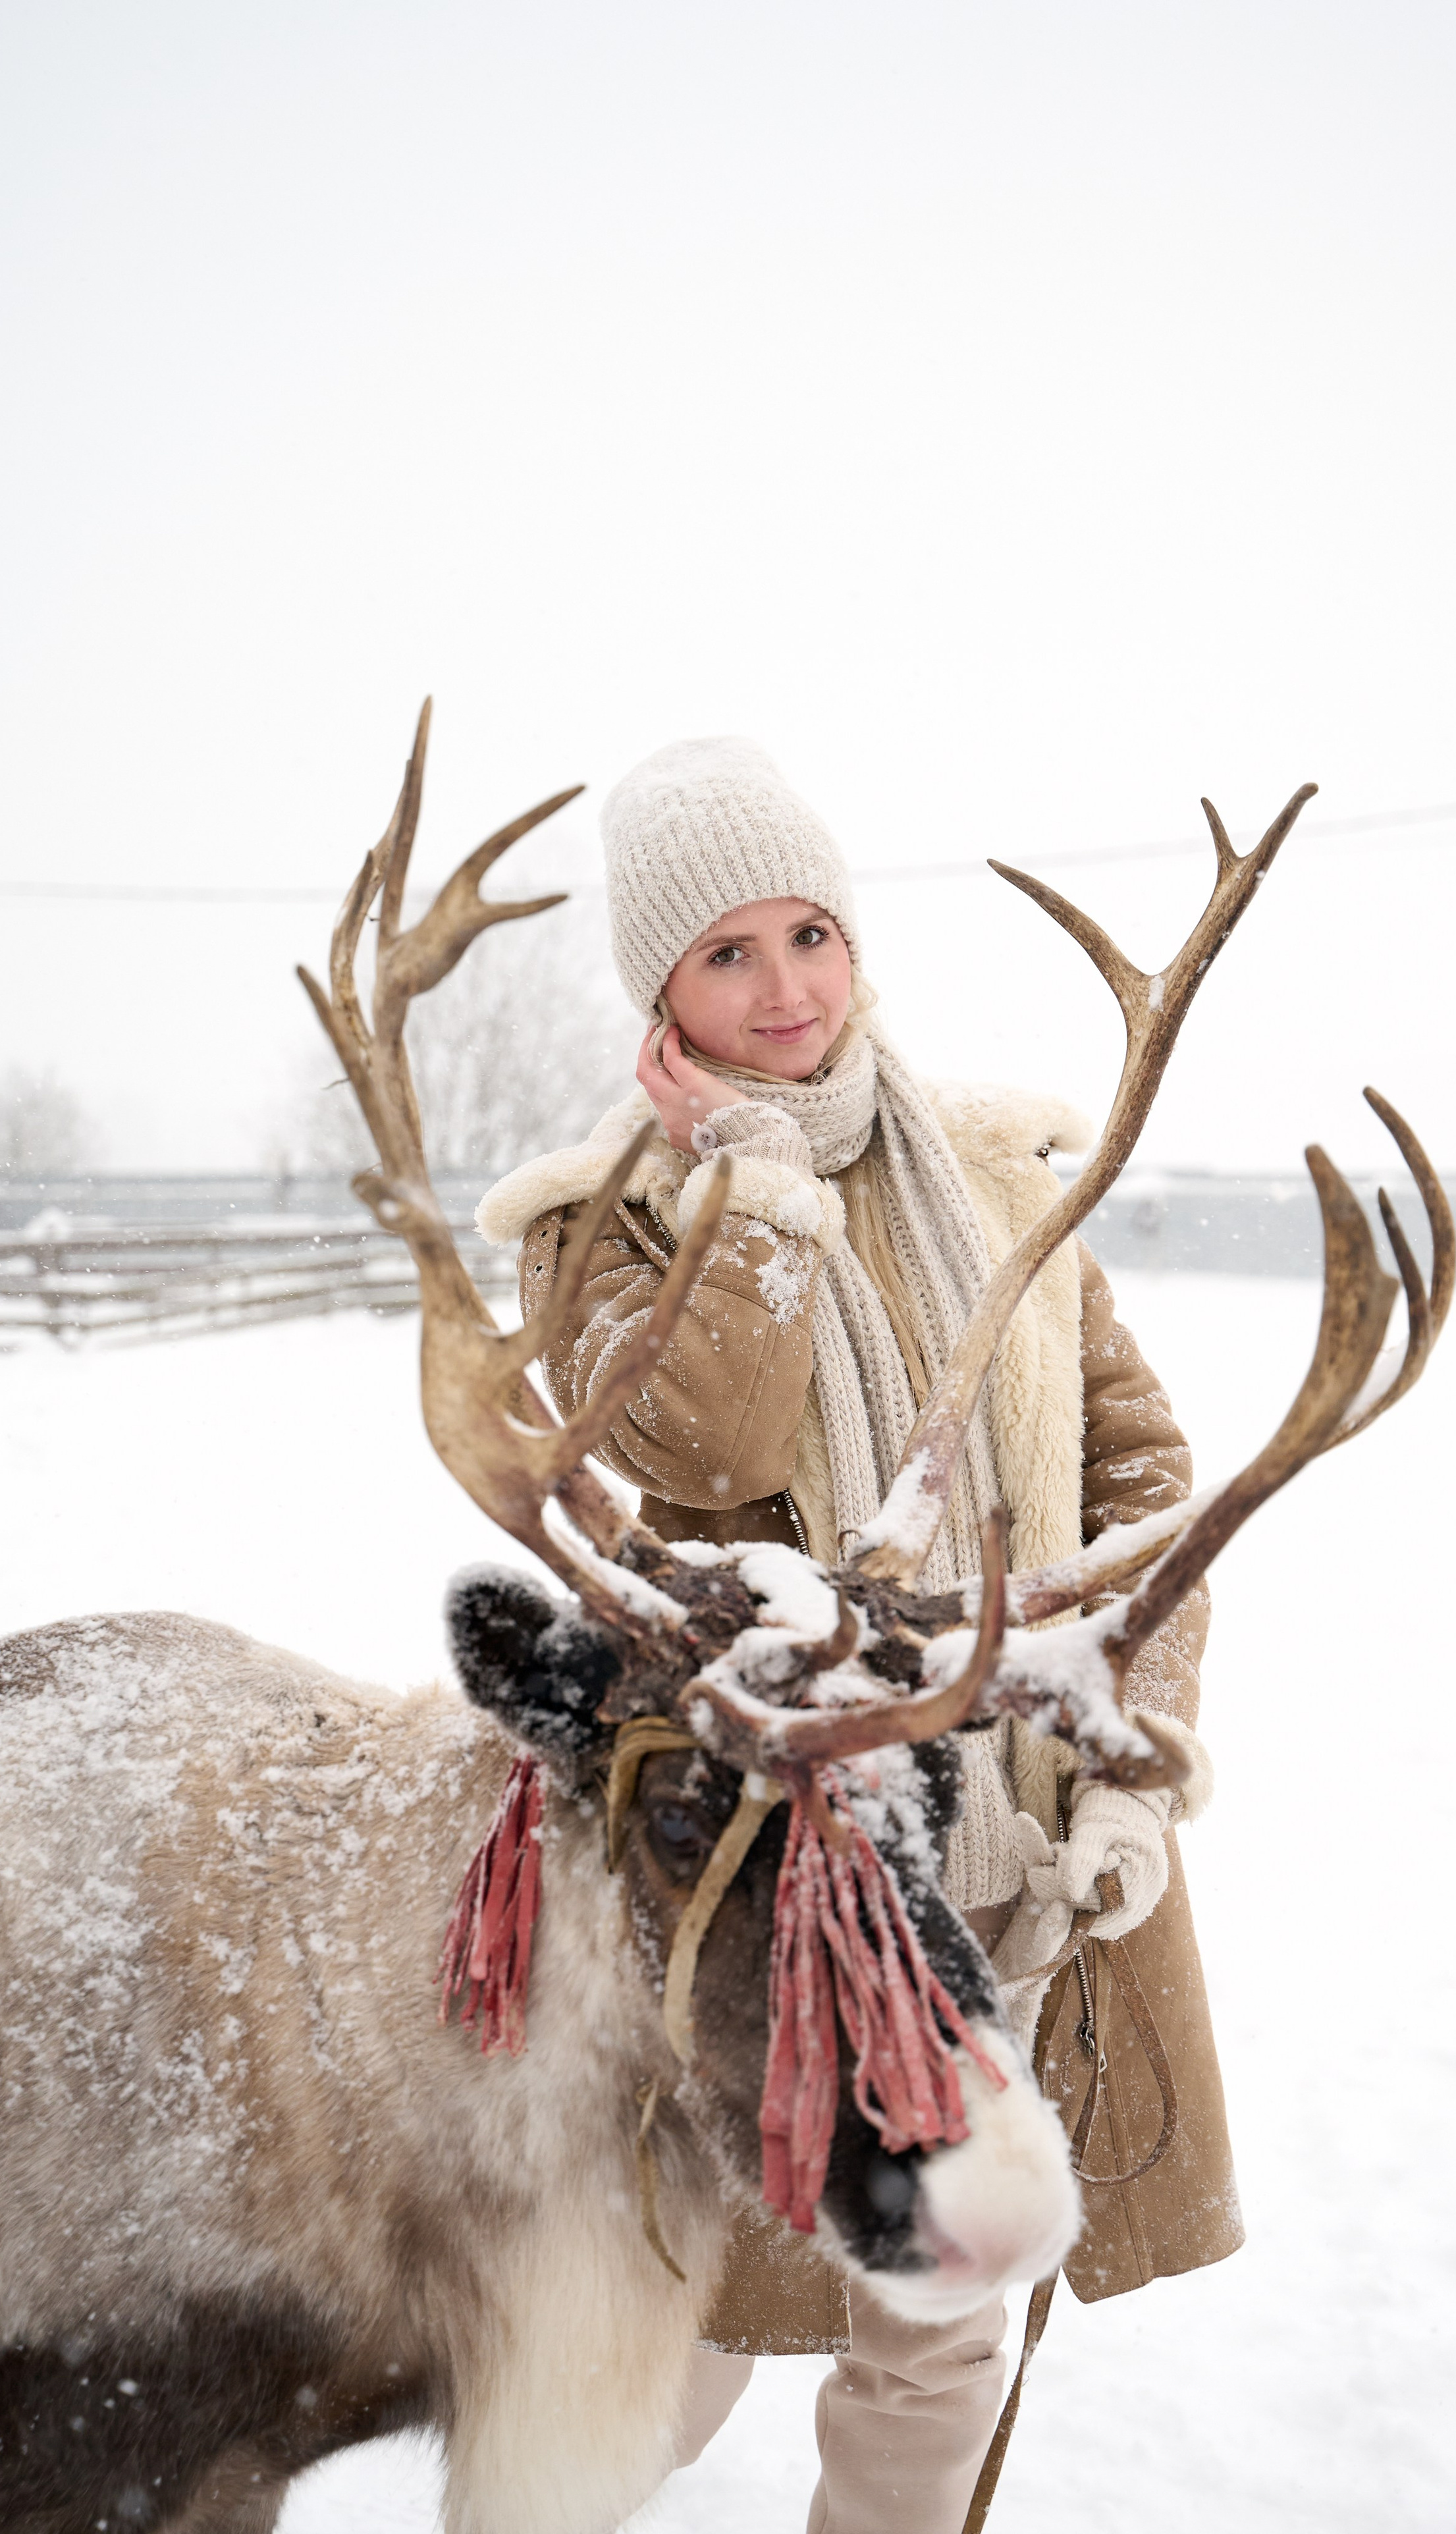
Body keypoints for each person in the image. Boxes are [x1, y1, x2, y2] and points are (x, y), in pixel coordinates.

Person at [477, 739, 1241, 2534]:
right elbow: (709, 1450)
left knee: (944, 2328)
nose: (787, 989)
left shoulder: (1006, 1178)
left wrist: (1131, 1767)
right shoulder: (607, 1233)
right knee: (664, 2337)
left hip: (1003, 1857)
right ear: (662, 996)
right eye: (727, 955)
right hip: (747, 1889)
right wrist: (747, 1189)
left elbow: (1148, 1480)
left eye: (809, 932)